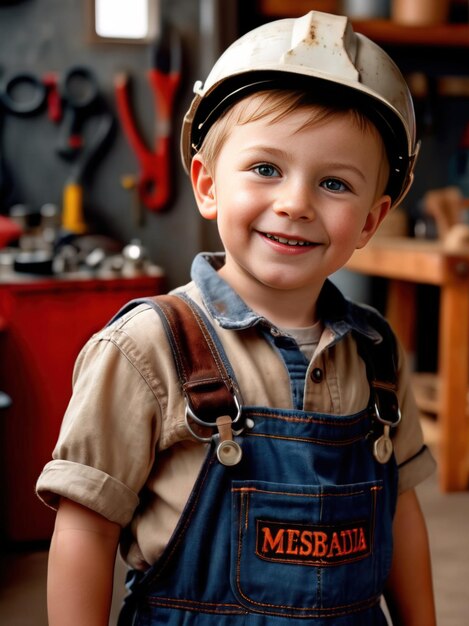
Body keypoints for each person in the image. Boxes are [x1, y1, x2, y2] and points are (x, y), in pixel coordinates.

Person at [37, 10, 437, 625]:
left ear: (370, 221)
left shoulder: (376, 351)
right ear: (206, 184)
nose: (295, 203)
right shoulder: (148, 347)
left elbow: (400, 512)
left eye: (334, 183)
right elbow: (84, 530)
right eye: (266, 169)